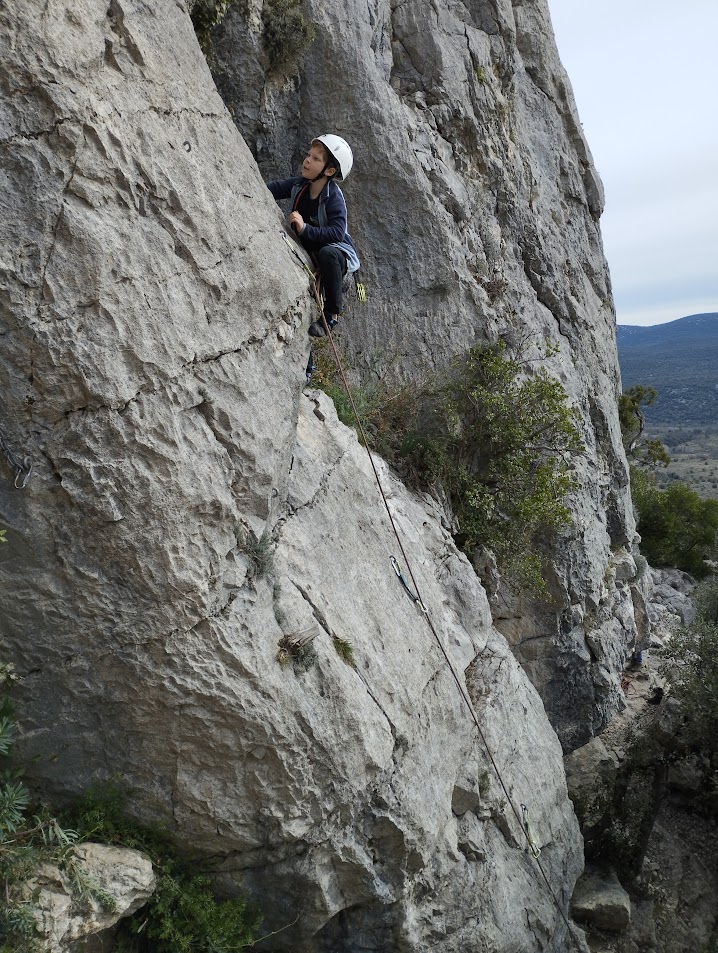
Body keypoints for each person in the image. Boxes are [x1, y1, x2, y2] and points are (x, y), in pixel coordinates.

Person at [267, 135, 360, 337]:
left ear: (329, 170)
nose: (307, 160)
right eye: (309, 155)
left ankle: (331, 315)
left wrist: (305, 229)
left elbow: (337, 232)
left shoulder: (333, 197)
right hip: (313, 251)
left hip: (336, 258)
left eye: (316, 159)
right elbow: (272, 189)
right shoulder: (299, 185)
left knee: (328, 253)